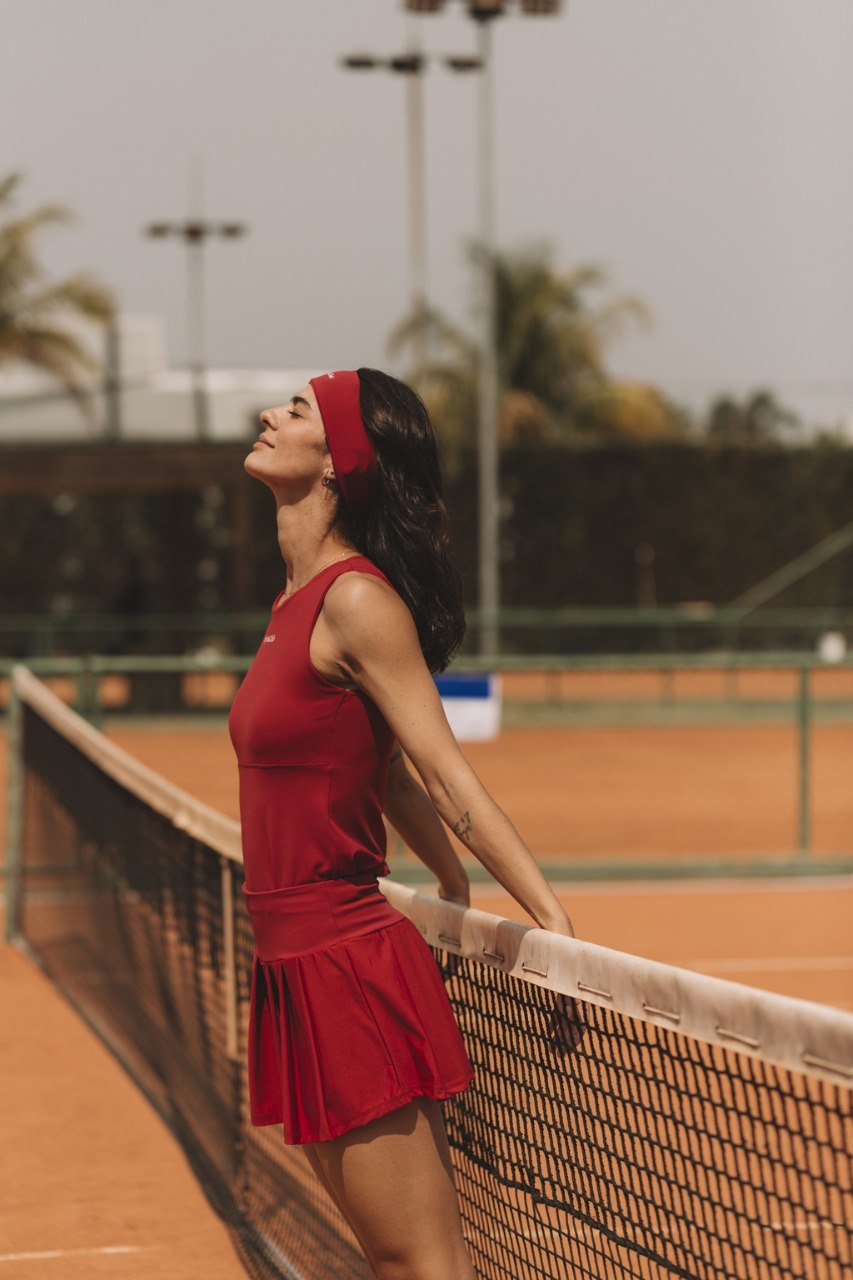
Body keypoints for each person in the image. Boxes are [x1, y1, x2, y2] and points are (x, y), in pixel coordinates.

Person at [228, 367, 574, 1280]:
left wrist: (552, 923)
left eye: (297, 409)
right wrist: (449, 884)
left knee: (421, 1263)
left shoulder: (355, 599)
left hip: (344, 965)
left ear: (339, 463)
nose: (270, 413)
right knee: (387, 1261)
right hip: (290, 962)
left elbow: (445, 775)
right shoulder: (290, 604)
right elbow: (374, 772)